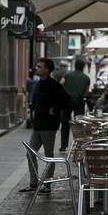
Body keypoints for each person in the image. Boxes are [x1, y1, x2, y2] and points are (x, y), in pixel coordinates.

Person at [19, 58, 70, 194]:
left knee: (48, 155)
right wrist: (32, 114)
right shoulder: (37, 84)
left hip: (49, 125)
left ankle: (47, 184)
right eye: (37, 66)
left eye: (39, 66)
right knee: (30, 152)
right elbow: (35, 102)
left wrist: (55, 108)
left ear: (47, 69)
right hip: (38, 124)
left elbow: (66, 101)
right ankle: (33, 183)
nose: (36, 68)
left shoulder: (54, 85)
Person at [59, 59, 90, 152]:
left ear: (75, 65)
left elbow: (60, 84)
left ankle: (63, 146)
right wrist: (83, 96)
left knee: (65, 123)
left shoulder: (67, 75)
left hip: (67, 100)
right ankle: (79, 145)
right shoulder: (86, 78)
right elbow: (87, 91)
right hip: (79, 101)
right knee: (79, 123)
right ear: (83, 67)